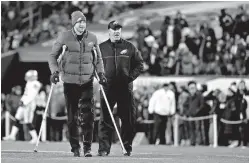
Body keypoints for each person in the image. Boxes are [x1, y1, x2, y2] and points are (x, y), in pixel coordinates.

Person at [48, 11, 107, 157]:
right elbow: (53, 56)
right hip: (69, 82)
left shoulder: (92, 38)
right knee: (72, 116)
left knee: (88, 115)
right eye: (79, 22)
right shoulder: (64, 36)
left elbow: (98, 58)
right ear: (74, 24)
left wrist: (101, 74)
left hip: (87, 81)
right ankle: (75, 147)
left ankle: (87, 147)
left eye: (84, 22)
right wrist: (55, 72)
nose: (82, 25)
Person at [97, 20, 143, 156]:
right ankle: (104, 149)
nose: (117, 31)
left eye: (119, 29)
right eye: (114, 29)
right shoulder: (101, 48)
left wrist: (130, 78)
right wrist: (99, 77)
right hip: (107, 87)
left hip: (125, 88)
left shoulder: (130, 47)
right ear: (109, 31)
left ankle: (126, 147)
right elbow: (94, 65)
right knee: (105, 119)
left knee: (128, 119)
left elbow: (139, 64)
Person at [3, 70, 41, 144]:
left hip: (29, 105)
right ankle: (12, 135)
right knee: (17, 118)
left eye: (28, 76)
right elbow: (26, 94)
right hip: (24, 103)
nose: (26, 78)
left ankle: (35, 138)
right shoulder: (29, 83)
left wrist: (25, 102)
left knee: (27, 121)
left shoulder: (36, 84)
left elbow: (32, 95)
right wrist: (22, 100)